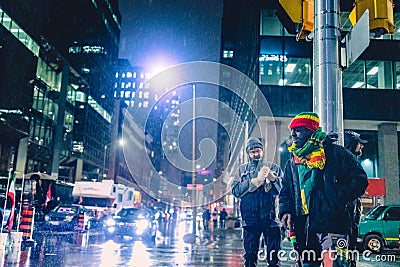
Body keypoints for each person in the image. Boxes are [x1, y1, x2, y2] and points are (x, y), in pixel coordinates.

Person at [279, 112, 369, 267]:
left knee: (336, 264)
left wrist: (337, 199)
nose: (293, 134)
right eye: (292, 130)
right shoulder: (293, 162)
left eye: (298, 129)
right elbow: (286, 191)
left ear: (311, 130)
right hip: (304, 228)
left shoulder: (337, 153)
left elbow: (360, 180)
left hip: (333, 225)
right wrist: (285, 211)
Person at [232, 137, 283, 267]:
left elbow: (283, 189)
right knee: (250, 256)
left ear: (262, 151)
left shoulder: (273, 167)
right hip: (250, 220)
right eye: (253, 152)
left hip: (270, 218)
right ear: (248, 153)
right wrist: (253, 182)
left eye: (258, 151)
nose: (256, 154)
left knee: (274, 256)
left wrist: (273, 178)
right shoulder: (241, 170)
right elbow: (235, 190)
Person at [344, 130, 368, 267]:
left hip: (350, 221)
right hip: (344, 220)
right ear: (352, 144)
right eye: (360, 144)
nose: (362, 147)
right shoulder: (347, 163)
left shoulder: (351, 162)